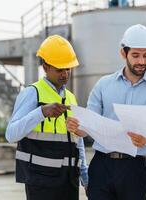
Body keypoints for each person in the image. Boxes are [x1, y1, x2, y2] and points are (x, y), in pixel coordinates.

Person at [66, 24, 146, 200]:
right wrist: (77, 127)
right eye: (136, 55)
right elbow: (88, 125)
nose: (141, 61)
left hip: (134, 169)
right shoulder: (103, 85)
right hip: (101, 166)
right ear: (123, 53)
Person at [5, 35, 88, 200]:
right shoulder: (32, 93)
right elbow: (11, 134)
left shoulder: (71, 98)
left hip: (68, 181)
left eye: (68, 69)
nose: (65, 74)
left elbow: (78, 142)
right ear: (45, 66)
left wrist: (86, 178)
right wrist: (41, 113)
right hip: (40, 183)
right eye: (60, 69)